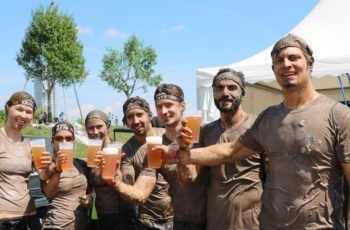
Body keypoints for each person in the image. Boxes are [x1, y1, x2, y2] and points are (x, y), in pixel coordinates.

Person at [163, 34, 350, 229]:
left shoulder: (338, 115)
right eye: (279, 60)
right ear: (273, 69)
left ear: (310, 64)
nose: (286, 64)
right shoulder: (268, 118)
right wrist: (179, 154)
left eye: (293, 58)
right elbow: (231, 151)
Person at [112, 84, 209, 229]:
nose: (164, 111)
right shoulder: (154, 148)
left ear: (182, 106)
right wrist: (115, 182)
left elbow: (193, 175)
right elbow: (140, 193)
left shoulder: (203, 134)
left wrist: (180, 151)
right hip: (172, 221)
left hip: (209, 220)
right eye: (159, 106)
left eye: (168, 105)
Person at [195, 68, 264, 229]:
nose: (225, 92)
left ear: (243, 93)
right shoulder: (206, 132)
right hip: (216, 221)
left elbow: (273, 176)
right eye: (219, 88)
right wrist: (183, 149)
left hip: (252, 223)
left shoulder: (258, 126)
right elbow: (192, 176)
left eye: (232, 87)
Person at [0, 91, 52, 229]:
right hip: (3, 219)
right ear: (7, 107)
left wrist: (47, 167)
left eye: (29, 112)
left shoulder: (31, 144)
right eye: (19, 109)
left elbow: (43, 176)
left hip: (30, 216)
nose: (23, 115)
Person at [120, 96, 173, 229]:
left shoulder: (168, 135)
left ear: (149, 115)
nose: (135, 121)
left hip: (179, 215)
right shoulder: (126, 151)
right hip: (149, 221)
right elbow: (131, 188)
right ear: (126, 122)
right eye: (130, 117)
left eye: (139, 115)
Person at [85, 110, 137, 230]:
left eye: (99, 127)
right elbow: (91, 186)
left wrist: (118, 174)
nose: (95, 132)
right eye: (91, 128)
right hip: (101, 216)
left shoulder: (120, 150)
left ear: (107, 126)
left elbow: (131, 183)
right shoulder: (91, 154)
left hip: (123, 215)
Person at [42, 121, 91, 229]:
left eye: (68, 138)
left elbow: (93, 188)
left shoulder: (81, 164)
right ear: (52, 141)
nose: (64, 142)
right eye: (59, 139)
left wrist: (90, 198)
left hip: (81, 225)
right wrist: (58, 170)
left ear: (73, 141)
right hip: (57, 225)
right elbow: (49, 193)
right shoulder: (48, 166)